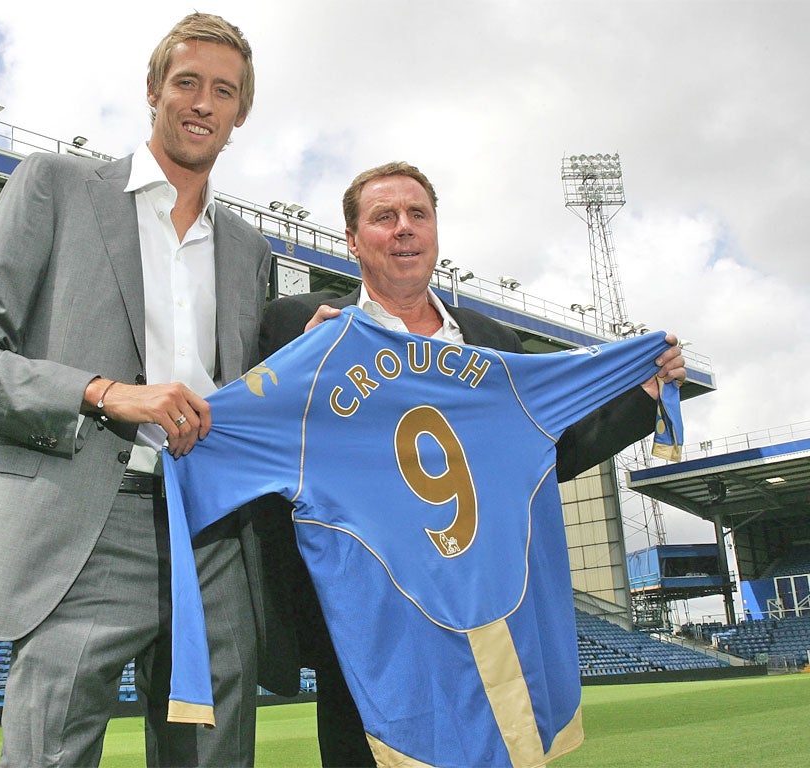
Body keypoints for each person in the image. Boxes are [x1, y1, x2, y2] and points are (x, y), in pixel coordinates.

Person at [253, 161, 686, 766]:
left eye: (417, 215)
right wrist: (302, 361)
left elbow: (549, 452)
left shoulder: (491, 340)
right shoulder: (299, 325)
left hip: (482, 606)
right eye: (384, 217)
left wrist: (643, 396)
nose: (404, 228)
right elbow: (254, 429)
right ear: (352, 241)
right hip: (368, 617)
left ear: (435, 232)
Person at [0, 13, 271, 768]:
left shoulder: (250, 250)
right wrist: (105, 391)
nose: (203, 103)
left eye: (223, 91)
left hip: (212, 535)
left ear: (239, 116)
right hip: (88, 526)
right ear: (152, 91)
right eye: (187, 83)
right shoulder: (55, 187)